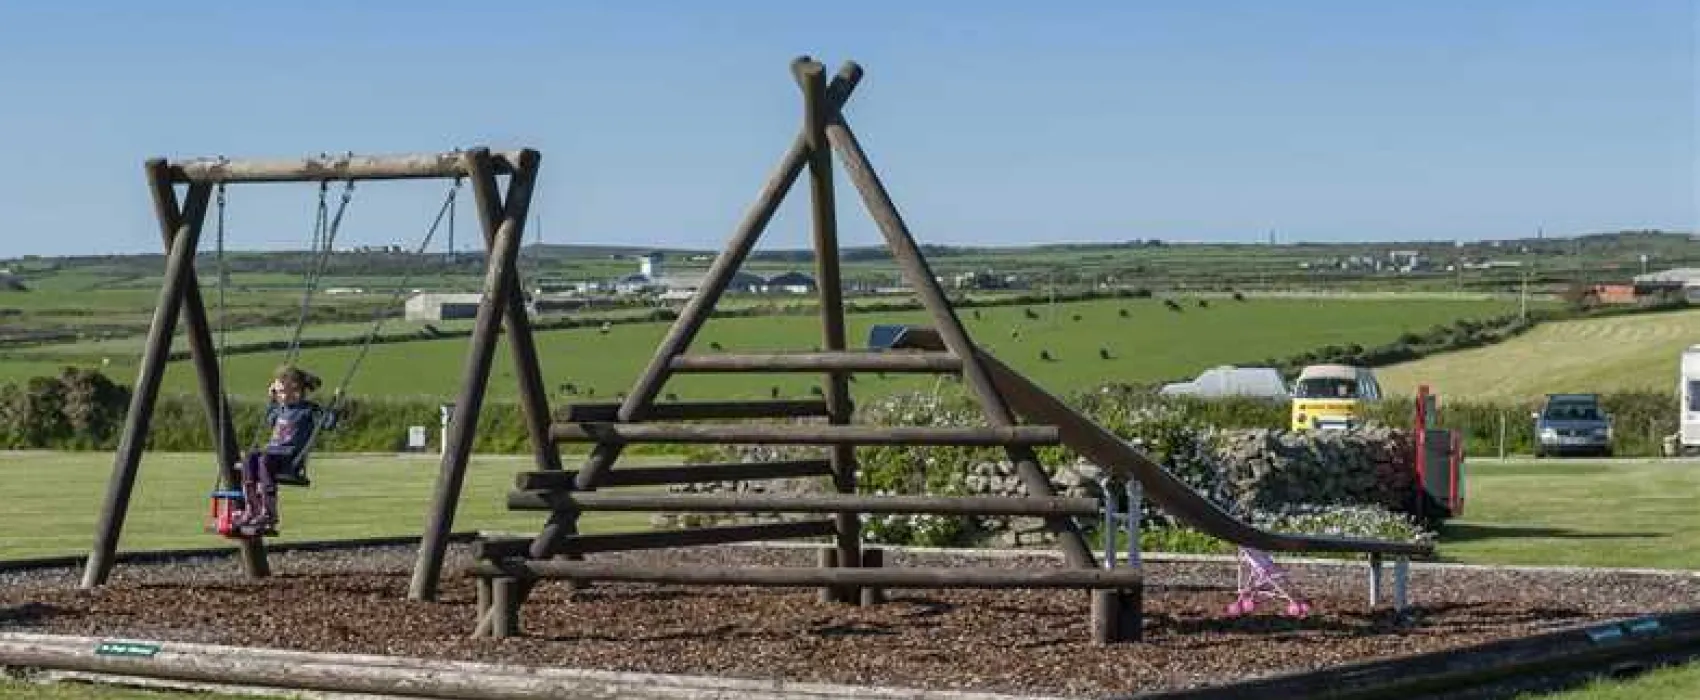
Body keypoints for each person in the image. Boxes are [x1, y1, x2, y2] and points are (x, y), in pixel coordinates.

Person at [237, 364, 327, 531]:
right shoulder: (280, 409)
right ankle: (252, 508)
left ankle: (269, 512)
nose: (280, 396)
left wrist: (334, 408)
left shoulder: (308, 410)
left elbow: (327, 423)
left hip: (289, 459)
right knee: (250, 458)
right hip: (272, 454)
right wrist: (272, 399)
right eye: (278, 392)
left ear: (296, 390)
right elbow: (270, 420)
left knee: (264, 459)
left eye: (282, 392)